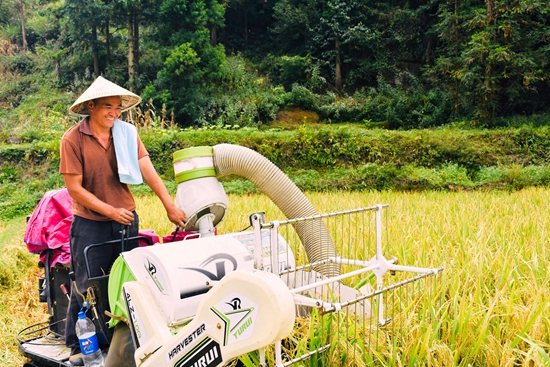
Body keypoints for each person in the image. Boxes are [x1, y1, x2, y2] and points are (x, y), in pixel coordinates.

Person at [59, 76, 187, 366]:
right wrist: (108, 210)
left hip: (125, 219)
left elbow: (146, 167)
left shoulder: (127, 134)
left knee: (129, 283)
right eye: (107, 107)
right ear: (90, 106)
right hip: (90, 223)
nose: (114, 113)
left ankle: (125, 346)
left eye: (118, 108)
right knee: (87, 285)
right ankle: (77, 347)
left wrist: (168, 204)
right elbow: (74, 189)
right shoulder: (72, 140)